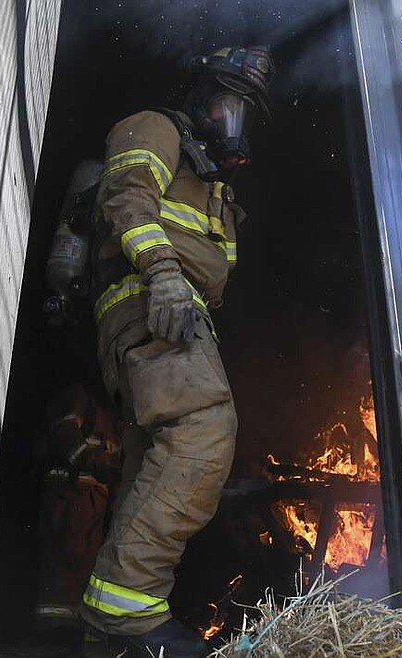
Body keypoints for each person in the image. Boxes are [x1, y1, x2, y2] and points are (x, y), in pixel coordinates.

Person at [78, 45, 275, 658]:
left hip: (167, 311)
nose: (232, 119)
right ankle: (129, 612)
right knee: (202, 425)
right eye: (225, 103)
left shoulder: (216, 195)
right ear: (197, 96)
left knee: (151, 465)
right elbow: (128, 195)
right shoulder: (156, 127)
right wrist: (163, 271)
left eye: (244, 111)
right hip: (148, 295)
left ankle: (107, 633)